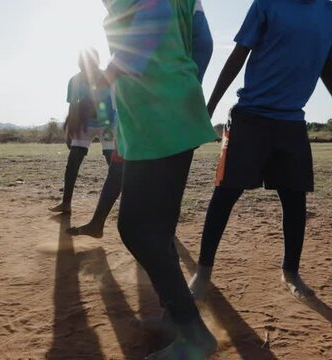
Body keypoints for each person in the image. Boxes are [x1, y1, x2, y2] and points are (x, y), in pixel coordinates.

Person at [188, 0, 332, 300]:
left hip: (292, 120)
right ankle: (202, 274)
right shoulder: (267, 4)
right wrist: (210, 106)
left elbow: (327, 66)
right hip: (250, 116)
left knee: (295, 200)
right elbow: (238, 56)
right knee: (225, 194)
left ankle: (290, 272)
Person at [97, 0, 219, 358]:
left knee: (136, 228)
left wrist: (112, 75)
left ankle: (193, 334)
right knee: (157, 230)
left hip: (158, 119)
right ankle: (176, 319)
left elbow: (152, 20)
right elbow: (204, 42)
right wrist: (182, 81)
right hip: (160, 116)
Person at [66, 0, 214, 239]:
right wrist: (189, 84)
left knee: (134, 226)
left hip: (142, 108)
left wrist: (98, 93)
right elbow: (204, 43)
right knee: (131, 174)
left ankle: (159, 251)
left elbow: (156, 14)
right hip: (179, 107)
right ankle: (102, 224)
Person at [49, 49, 116, 214]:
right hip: (85, 125)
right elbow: (73, 106)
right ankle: (66, 204)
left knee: (113, 164)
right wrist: (69, 133)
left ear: (97, 62)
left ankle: (132, 204)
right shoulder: (75, 81)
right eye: (83, 63)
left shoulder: (107, 78)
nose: (87, 67)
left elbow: (116, 103)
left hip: (107, 124)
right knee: (73, 162)